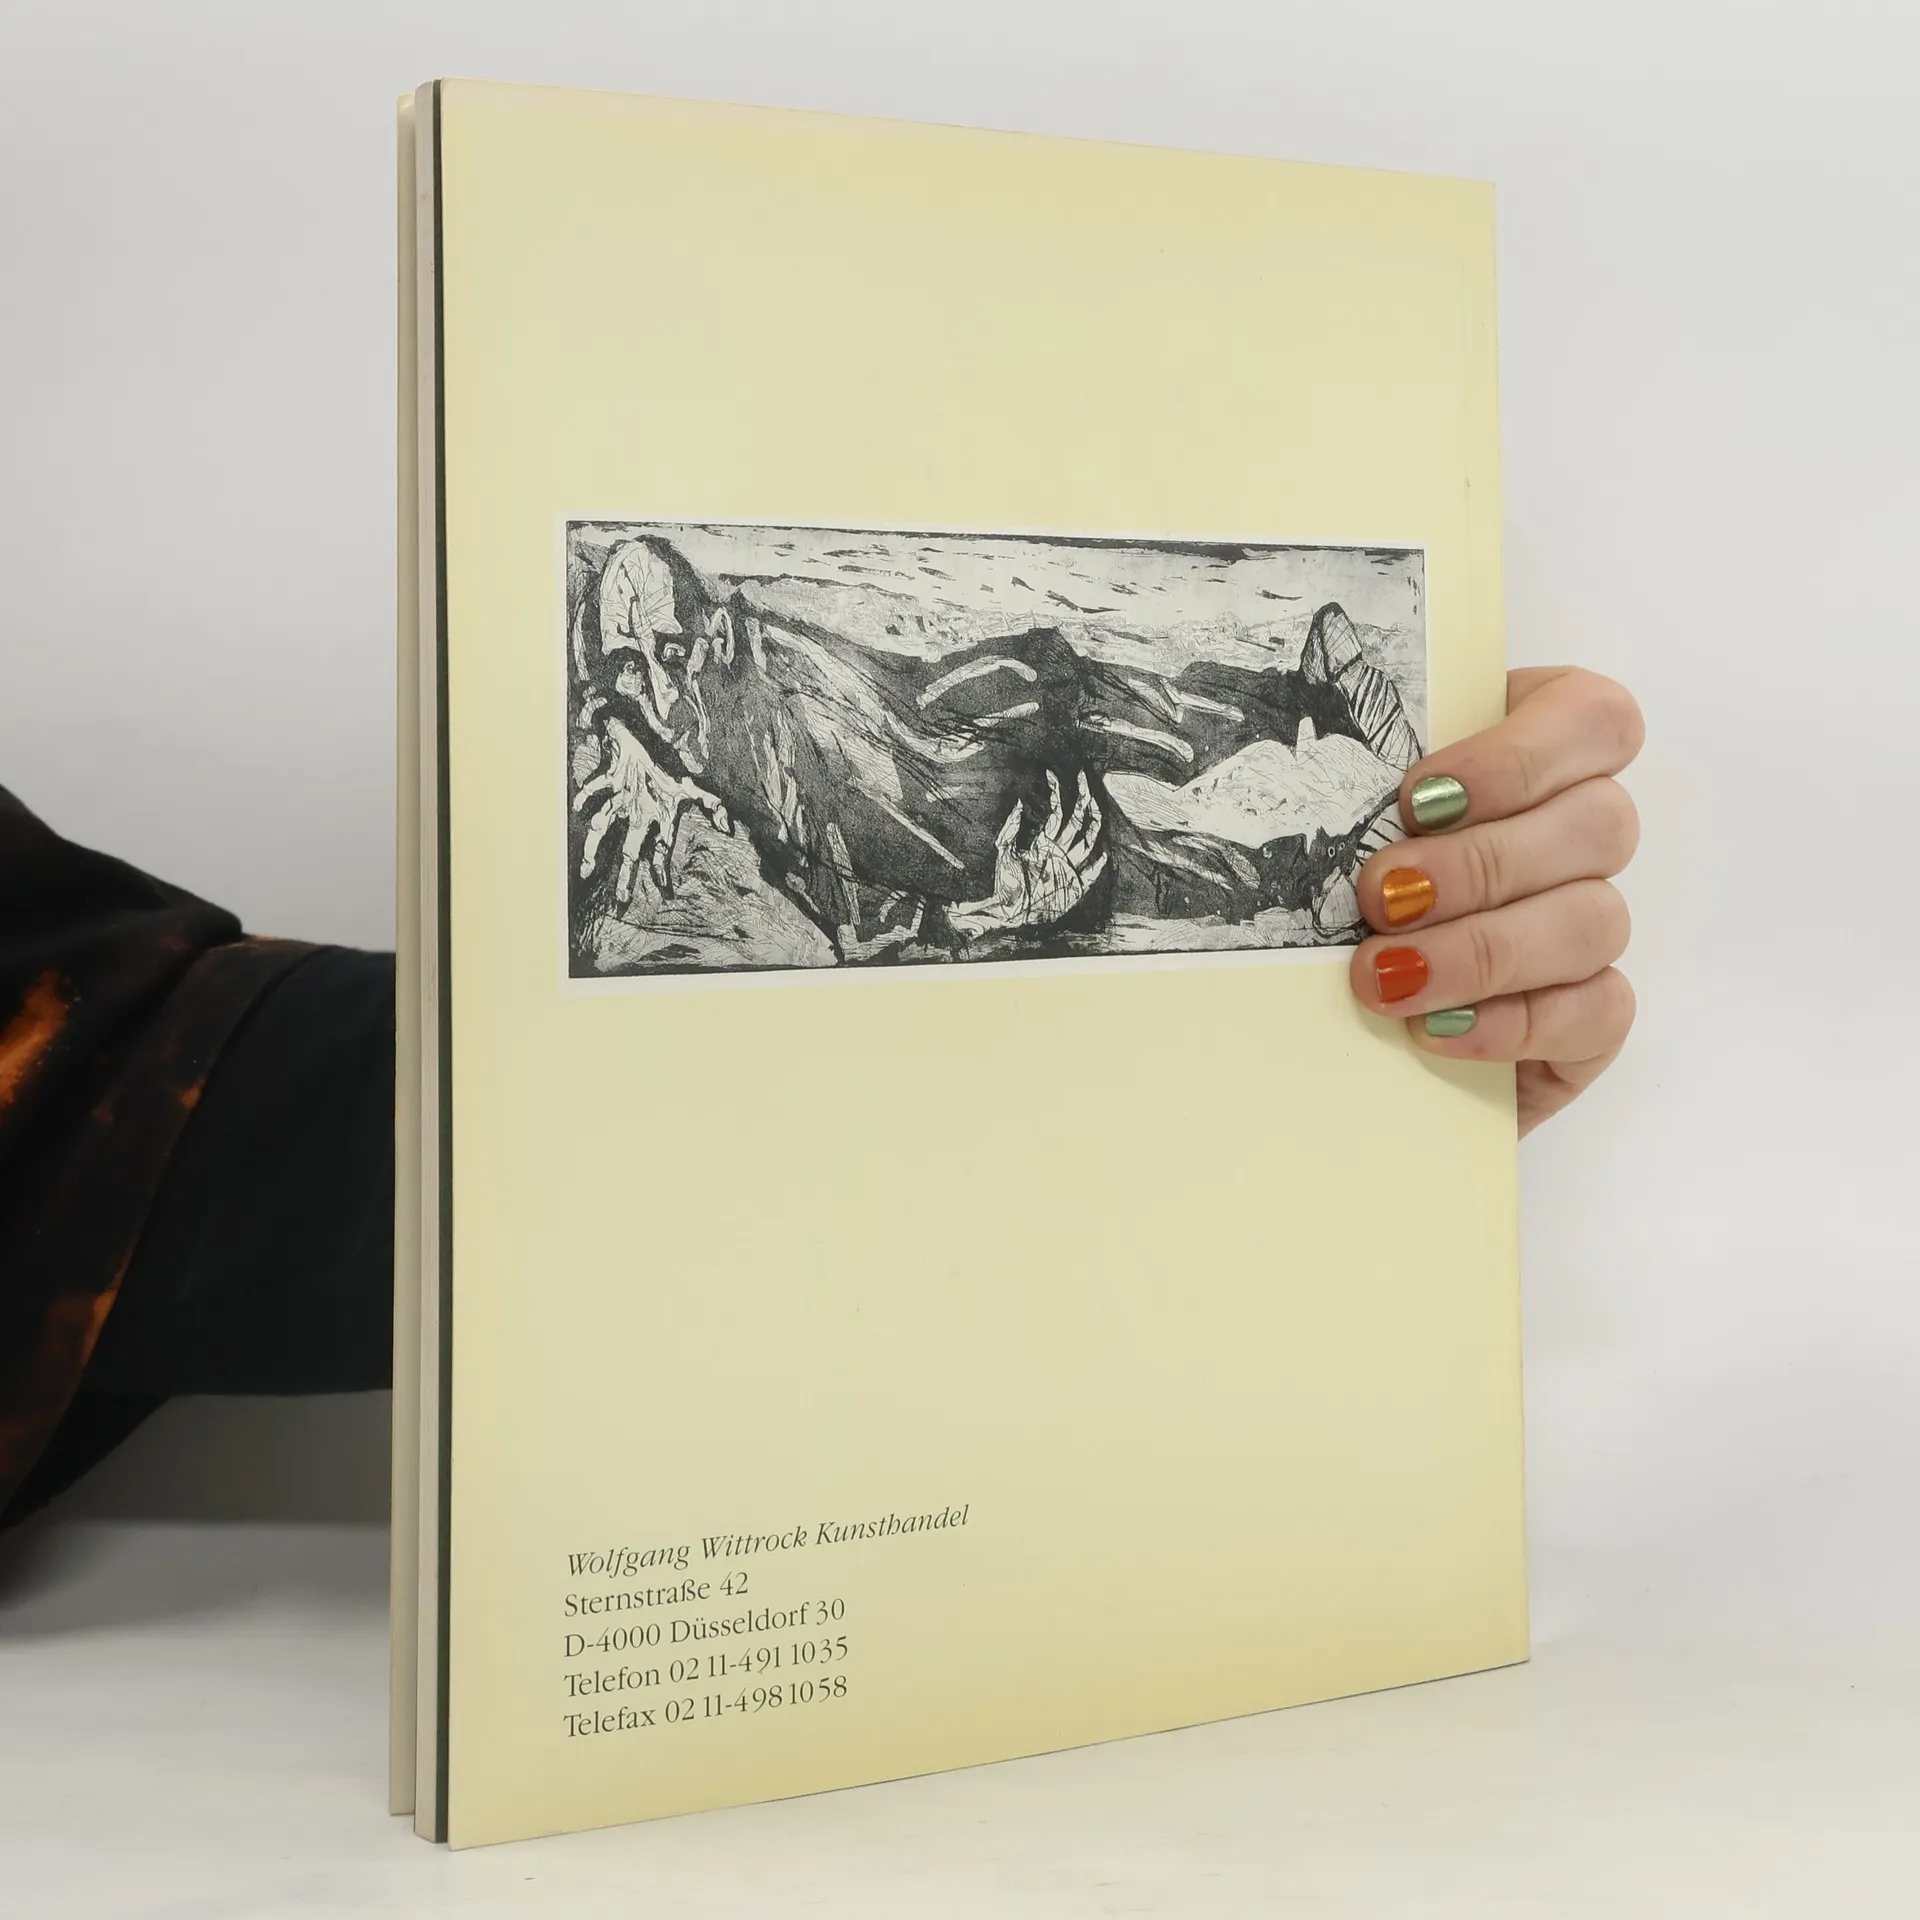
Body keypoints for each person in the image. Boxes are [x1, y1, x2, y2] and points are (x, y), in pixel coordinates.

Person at [0, 662, 1640, 1526]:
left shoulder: (735, 725)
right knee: (1072, 821)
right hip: (888, 920)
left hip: (864, 903)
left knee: (1034, 700)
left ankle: (1293, 761)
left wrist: (1253, 1049)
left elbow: (158, 1094)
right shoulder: (679, 795)